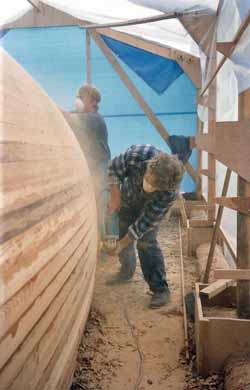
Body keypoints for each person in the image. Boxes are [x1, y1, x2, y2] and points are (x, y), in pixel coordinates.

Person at [106, 143, 187, 309]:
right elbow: (114, 167)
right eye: (150, 181)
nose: (150, 188)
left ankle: (160, 289)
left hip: (148, 209)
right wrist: (115, 194)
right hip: (127, 200)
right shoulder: (138, 155)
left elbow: (144, 224)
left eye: (155, 187)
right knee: (122, 232)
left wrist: (121, 245)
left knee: (146, 242)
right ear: (149, 167)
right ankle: (126, 271)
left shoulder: (168, 192)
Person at [63, 84, 111, 239]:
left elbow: (68, 119)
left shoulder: (95, 119)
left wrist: (47, 105)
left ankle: (107, 249)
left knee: (103, 213)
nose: (77, 100)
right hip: (91, 171)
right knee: (94, 212)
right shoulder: (84, 117)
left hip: (101, 173)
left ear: (93, 102)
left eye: (81, 97)